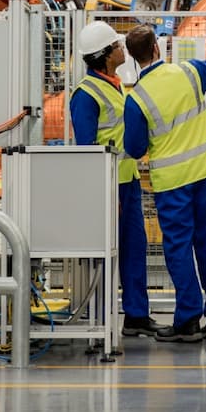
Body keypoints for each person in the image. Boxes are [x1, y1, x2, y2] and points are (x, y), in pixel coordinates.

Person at [123, 23, 206, 343]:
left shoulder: (137, 98)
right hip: (205, 172)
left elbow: (135, 148)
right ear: (157, 48)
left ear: (133, 58)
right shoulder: (189, 72)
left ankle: (188, 321)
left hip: (171, 183)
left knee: (178, 248)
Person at [70, 20, 160, 339]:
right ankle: (100, 317)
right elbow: (86, 150)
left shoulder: (115, 85)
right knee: (107, 253)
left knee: (134, 249)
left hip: (127, 181)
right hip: (108, 187)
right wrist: (101, 191)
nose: (123, 49)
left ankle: (136, 316)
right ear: (107, 55)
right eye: (118, 46)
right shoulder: (86, 94)